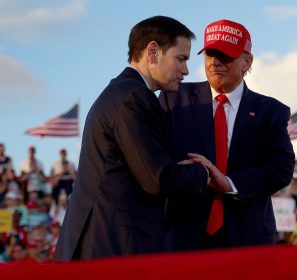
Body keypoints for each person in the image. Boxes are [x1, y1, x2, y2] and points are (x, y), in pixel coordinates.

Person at [54, 16, 210, 261]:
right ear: (153, 51)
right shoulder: (133, 97)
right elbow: (156, 179)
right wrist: (204, 173)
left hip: (99, 243)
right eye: (180, 58)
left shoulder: (121, 92)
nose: (186, 70)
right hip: (111, 248)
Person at [159, 19, 295, 251]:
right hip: (184, 239)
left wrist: (230, 183)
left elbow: (281, 170)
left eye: (225, 54)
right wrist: (188, 172)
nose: (215, 62)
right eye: (210, 54)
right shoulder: (174, 99)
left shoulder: (271, 112)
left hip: (248, 240)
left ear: (247, 61)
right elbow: (156, 160)